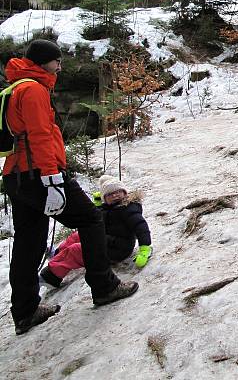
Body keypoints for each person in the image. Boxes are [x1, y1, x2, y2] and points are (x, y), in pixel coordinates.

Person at [1, 39, 138, 336]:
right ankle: (104, 286)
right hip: (39, 173)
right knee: (90, 218)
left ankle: (24, 312)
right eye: (56, 61)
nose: (60, 66)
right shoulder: (33, 89)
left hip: (17, 175)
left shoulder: (17, 86)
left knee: (29, 241)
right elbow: (39, 136)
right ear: (42, 62)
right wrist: (52, 180)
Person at [40, 176, 153, 288]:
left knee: (77, 250)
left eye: (118, 191)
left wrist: (144, 249)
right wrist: (98, 204)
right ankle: (57, 254)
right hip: (104, 241)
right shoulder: (108, 208)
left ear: (125, 193)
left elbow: (141, 227)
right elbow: (99, 218)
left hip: (117, 249)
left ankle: (51, 277)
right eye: (109, 194)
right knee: (78, 235)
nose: (115, 195)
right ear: (104, 198)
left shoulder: (129, 209)